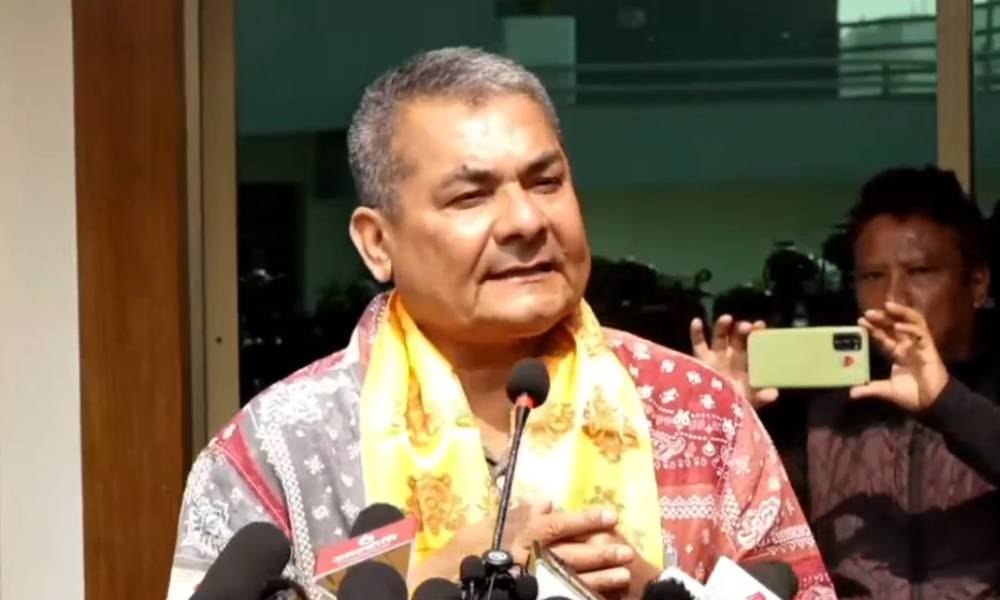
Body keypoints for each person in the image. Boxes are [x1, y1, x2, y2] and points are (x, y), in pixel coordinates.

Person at [167, 47, 833, 599]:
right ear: (377, 242)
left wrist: (658, 591)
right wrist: (429, 577)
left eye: (546, 182)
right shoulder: (277, 449)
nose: (525, 221)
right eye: (471, 196)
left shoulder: (700, 413)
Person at [693, 166, 1000, 598]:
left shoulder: (984, 400)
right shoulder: (822, 410)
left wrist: (946, 403)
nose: (893, 298)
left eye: (919, 272)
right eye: (873, 276)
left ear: (978, 284)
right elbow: (736, 540)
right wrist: (725, 422)